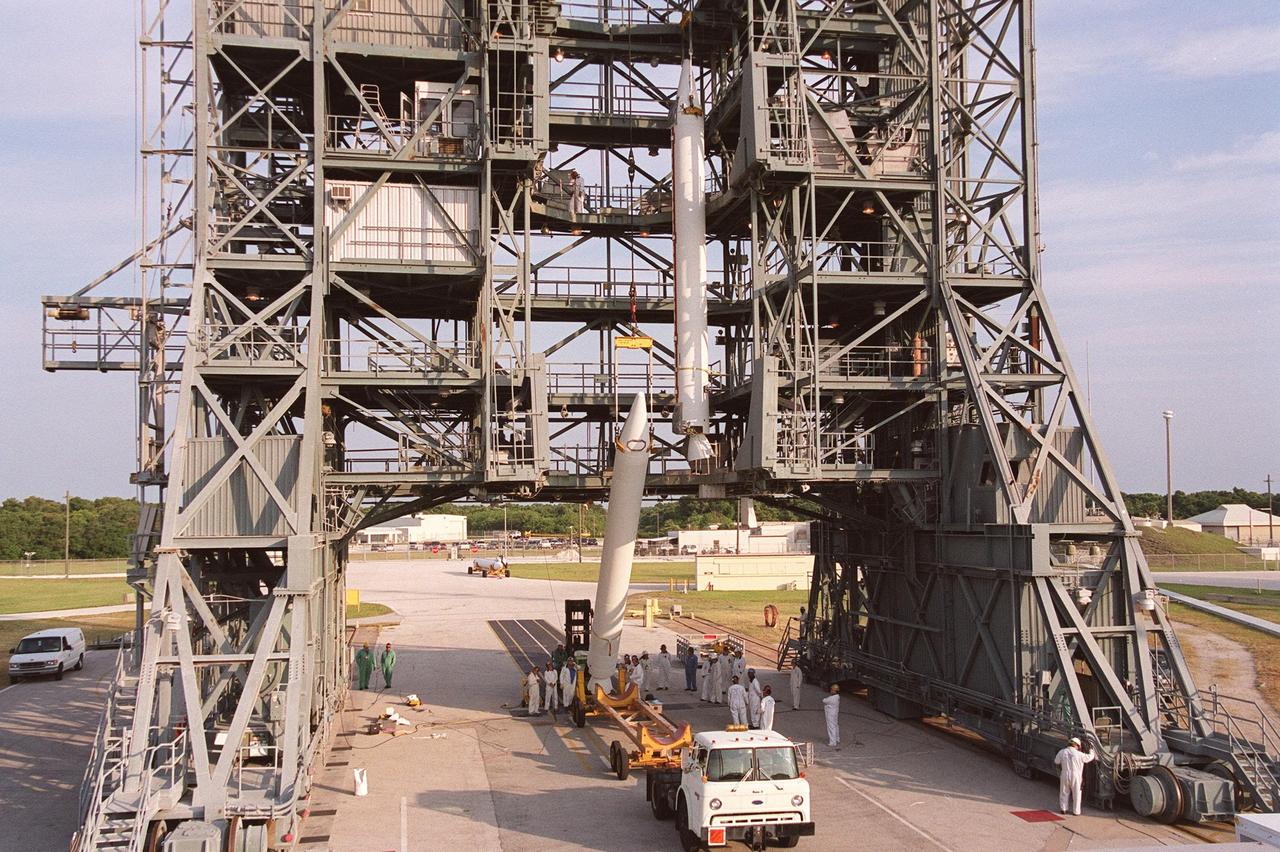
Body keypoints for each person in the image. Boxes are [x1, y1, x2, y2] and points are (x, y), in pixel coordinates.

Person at [1054, 737, 1096, 815]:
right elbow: (1090, 757)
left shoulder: (1062, 752)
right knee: (1077, 793)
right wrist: (1091, 750)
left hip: (1065, 774)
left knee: (1064, 791)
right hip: (1076, 776)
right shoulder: (1080, 754)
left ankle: (1063, 809)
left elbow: (1056, 761)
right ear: (1077, 745)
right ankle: (1076, 811)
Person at [823, 684, 842, 749]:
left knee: (831, 727)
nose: (830, 691)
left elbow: (824, 700)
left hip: (830, 713)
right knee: (836, 725)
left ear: (834, 691)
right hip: (835, 713)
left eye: (831, 690)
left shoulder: (832, 698)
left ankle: (832, 742)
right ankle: (837, 738)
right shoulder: (837, 697)